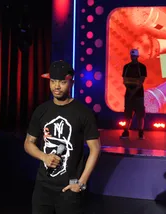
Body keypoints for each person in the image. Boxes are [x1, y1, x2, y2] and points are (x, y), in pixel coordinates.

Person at [24, 60, 101, 214]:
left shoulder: (83, 113)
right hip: (43, 188)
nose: (56, 87)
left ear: (71, 83)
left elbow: (95, 148)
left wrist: (81, 183)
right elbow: (28, 143)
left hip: (69, 189)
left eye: (61, 82)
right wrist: (44, 157)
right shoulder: (41, 111)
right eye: (53, 82)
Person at [120, 49, 147, 139]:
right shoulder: (126, 67)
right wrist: (129, 91)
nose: (133, 58)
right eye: (132, 56)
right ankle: (126, 131)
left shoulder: (142, 67)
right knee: (127, 114)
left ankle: (140, 133)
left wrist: (134, 91)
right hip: (128, 94)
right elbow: (124, 80)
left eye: (135, 56)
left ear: (137, 56)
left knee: (140, 114)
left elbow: (141, 81)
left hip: (139, 94)